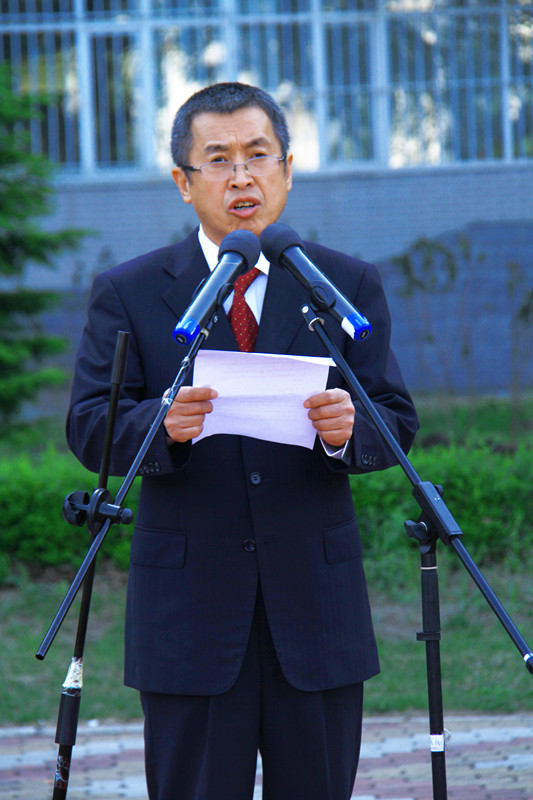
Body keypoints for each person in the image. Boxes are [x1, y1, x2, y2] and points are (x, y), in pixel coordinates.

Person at [67, 82, 419, 800]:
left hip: (315, 609)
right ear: (183, 181)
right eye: (219, 159)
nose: (241, 177)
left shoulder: (342, 284)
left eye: (258, 155)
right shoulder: (131, 290)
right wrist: (160, 425)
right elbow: (89, 424)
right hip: (189, 612)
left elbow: (393, 415)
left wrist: (347, 432)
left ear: (287, 168)